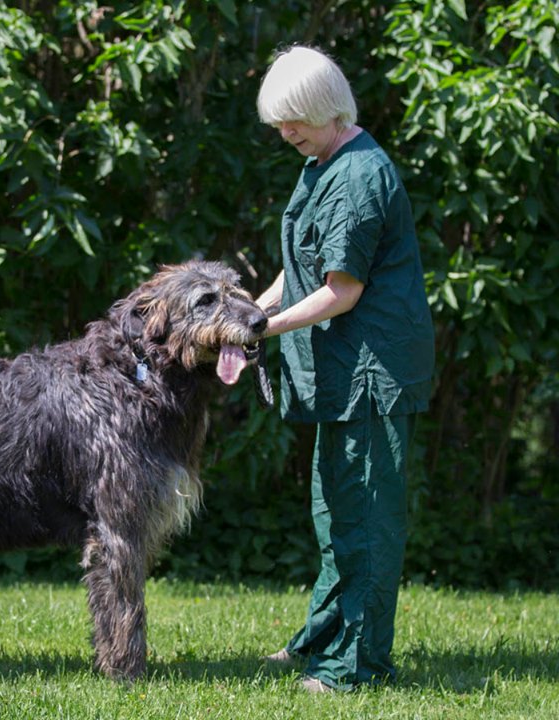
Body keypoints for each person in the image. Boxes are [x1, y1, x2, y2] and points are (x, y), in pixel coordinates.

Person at [253, 45, 435, 693]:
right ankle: (322, 639)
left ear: (328, 109)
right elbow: (300, 266)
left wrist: (262, 329)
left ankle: (354, 664)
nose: (285, 132)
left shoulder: (358, 177)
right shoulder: (320, 161)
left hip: (373, 375)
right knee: (336, 515)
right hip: (342, 373)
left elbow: (342, 289)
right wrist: (252, 308)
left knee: (364, 519)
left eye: (294, 118)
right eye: (279, 121)